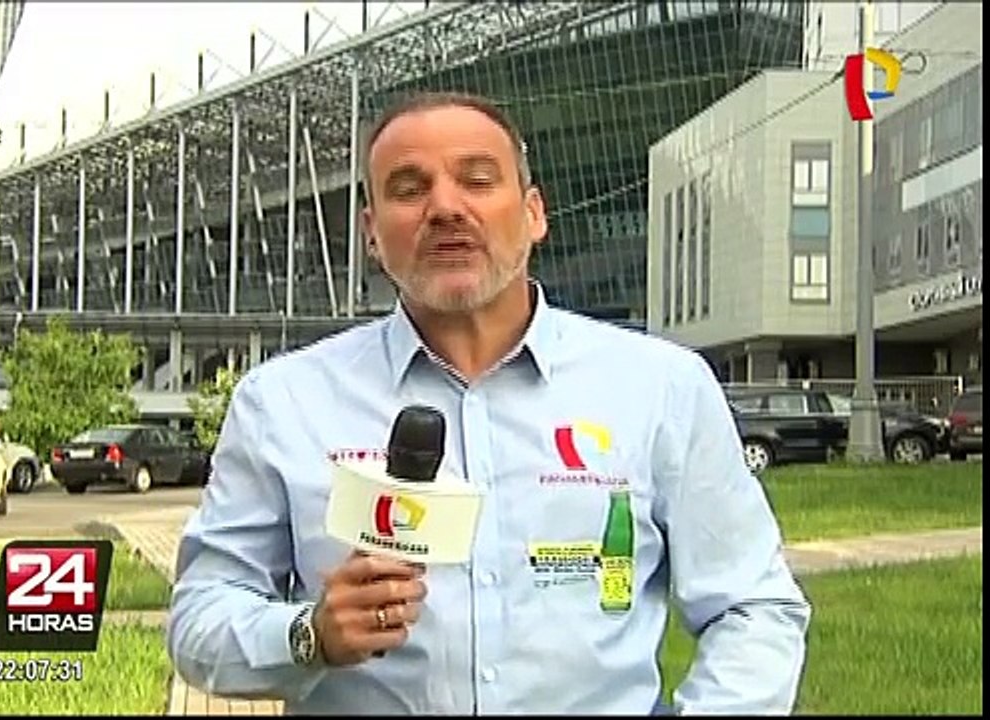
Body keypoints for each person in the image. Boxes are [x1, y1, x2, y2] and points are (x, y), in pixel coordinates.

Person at [166, 91, 811, 715]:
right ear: (370, 232)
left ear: (533, 213)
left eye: (476, 180)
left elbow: (753, 607)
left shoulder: (662, 387)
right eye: (409, 189)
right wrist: (309, 636)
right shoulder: (283, 404)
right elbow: (199, 618)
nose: (445, 208)